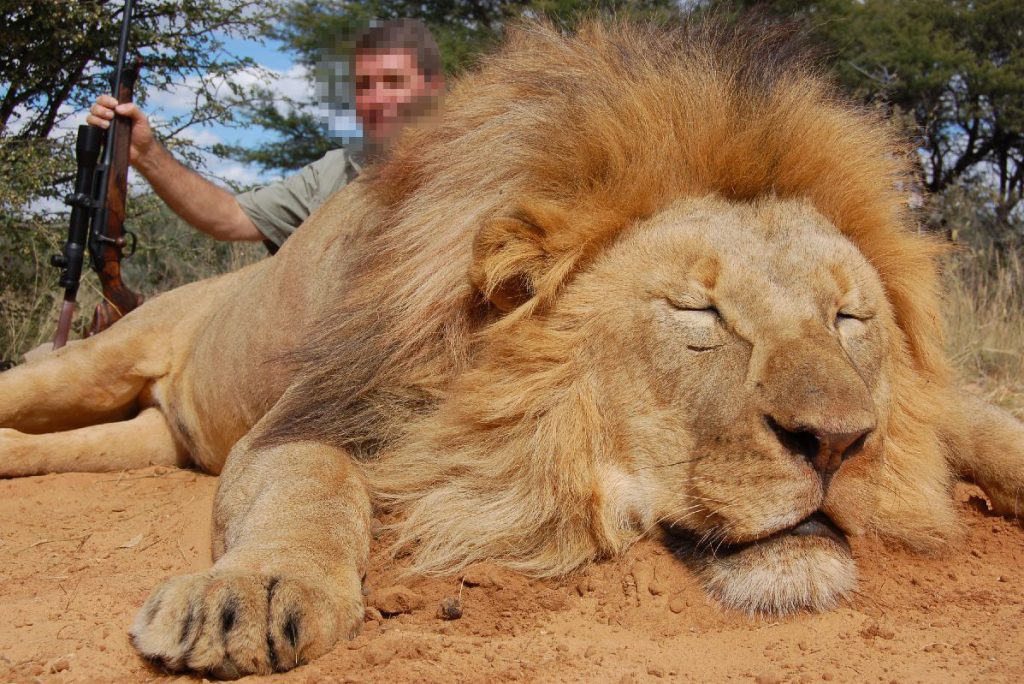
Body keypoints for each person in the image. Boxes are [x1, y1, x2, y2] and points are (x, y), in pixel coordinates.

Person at [85, 19, 445, 249]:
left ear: (434, 87)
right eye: (364, 85)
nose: (377, 99)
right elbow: (229, 218)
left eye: (394, 82)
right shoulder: (337, 170)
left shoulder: (475, 160)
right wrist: (147, 154)